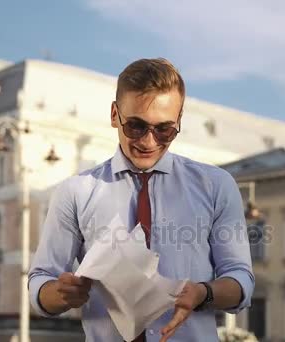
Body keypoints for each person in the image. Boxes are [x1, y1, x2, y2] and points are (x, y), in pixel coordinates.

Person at [28, 58, 254, 342]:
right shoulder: (75, 192)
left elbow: (241, 279)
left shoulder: (217, 186)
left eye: (164, 130)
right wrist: (60, 294)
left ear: (179, 122)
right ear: (114, 115)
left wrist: (203, 293)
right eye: (136, 126)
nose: (149, 141)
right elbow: (40, 283)